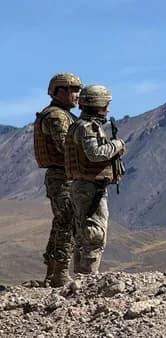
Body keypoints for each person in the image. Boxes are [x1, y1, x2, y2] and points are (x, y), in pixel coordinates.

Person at [65, 84, 125, 274]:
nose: (107, 109)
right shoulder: (88, 128)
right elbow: (95, 154)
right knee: (94, 234)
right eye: (105, 105)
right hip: (91, 188)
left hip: (86, 186)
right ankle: (88, 279)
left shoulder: (80, 125)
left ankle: (82, 279)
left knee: (84, 234)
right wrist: (117, 145)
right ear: (97, 104)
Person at [33, 72, 82, 287]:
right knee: (67, 222)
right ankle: (60, 273)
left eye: (78, 89)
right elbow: (65, 146)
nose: (77, 95)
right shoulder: (56, 117)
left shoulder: (62, 114)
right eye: (72, 90)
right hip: (61, 177)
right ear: (59, 92)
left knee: (61, 222)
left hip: (63, 176)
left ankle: (52, 273)